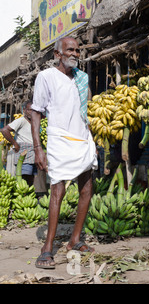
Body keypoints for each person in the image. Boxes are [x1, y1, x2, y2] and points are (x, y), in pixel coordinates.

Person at [31, 36, 98, 269]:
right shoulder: (46, 77)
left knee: (87, 187)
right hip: (59, 140)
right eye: (70, 50)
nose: (75, 53)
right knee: (57, 191)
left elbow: (81, 111)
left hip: (81, 138)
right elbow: (37, 112)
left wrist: (89, 137)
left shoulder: (82, 78)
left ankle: (74, 240)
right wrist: (38, 148)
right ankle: (47, 247)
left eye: (78, 50)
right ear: (57, 54)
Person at [1, 101, 36, 186]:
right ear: (24, 110)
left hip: (34, 152)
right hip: (24, 152)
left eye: (33, 110)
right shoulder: (21, 120)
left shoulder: (35, 122)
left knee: (31, 178)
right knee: (24, 177)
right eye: (29, 110)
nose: (31, 112)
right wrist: (15, 143)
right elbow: (4, 130)